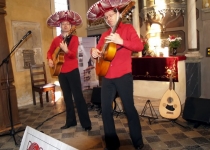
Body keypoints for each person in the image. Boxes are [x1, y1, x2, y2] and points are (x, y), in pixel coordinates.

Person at [87, 0, 144, 149]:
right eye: (106, 17)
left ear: (118, 14)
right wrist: (93, 52)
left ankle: (138, 141)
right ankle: (112, 143)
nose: (109, 18)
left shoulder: (127, 29)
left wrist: (121, 41)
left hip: (124, 75)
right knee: (106, 110)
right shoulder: (105, 34)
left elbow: (139, 46)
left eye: (111, 15)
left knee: (129, 108)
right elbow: (97, 50)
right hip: (107, 77)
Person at [46, 10, 92, 131]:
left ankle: (86, 123)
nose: (65, 25)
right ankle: (70, 121)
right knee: (67, 97)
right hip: (60, 71)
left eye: (67, 24)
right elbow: (50, 52)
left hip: (72, 70)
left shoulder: (74, 38)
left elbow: (73, 55)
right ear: (60, 26)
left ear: (71, 26)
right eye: (63, 24)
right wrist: (50, 59)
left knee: (78, 97)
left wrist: (66, 50)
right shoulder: (56, 40)